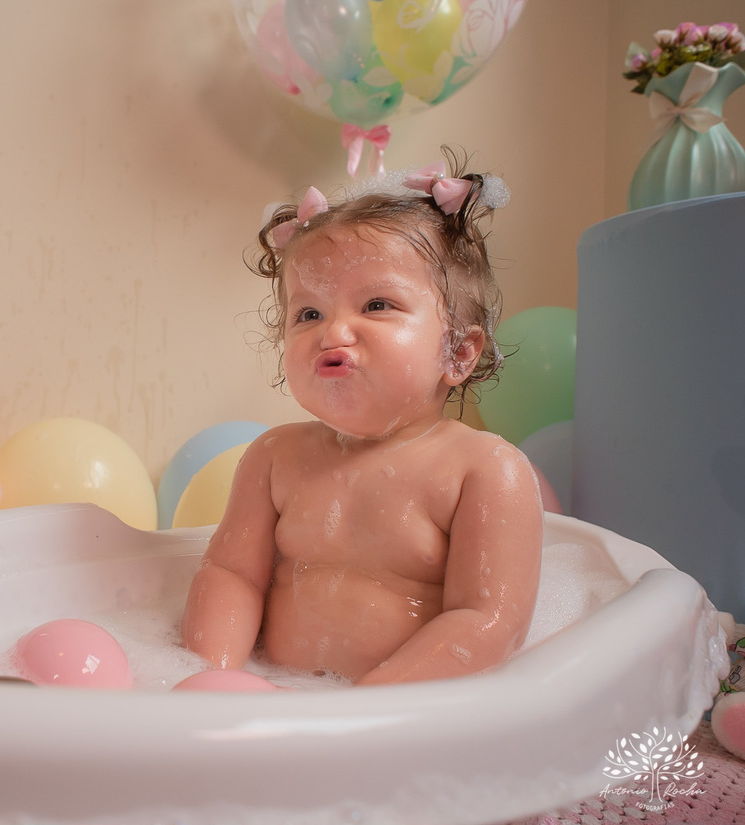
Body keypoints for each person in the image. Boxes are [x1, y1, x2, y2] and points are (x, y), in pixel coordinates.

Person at [180, 150, 544, 685]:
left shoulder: (483, 470)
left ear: (458, 353)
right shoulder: (275, 457)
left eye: (376, 305)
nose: (333, 332)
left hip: (402, 721)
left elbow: (488, 622)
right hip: (277, 699)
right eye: (309, 313)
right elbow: (231, 575)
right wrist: (211, 675)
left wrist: (369, 707)